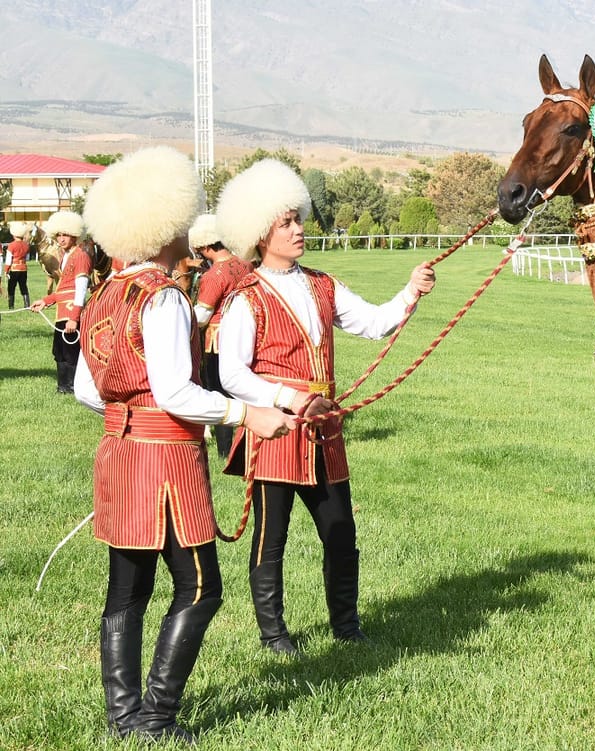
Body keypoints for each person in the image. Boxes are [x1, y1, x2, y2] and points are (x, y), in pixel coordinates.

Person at [73, 146, 296, 743]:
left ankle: (122, 718)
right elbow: (175, 391)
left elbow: (85, 388)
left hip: (119, 455)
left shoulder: (105, 293)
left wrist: (128, 413)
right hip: (166, 461)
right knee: (199, 588)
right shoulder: (163, 296)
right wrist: (243, 412)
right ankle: (155, 717)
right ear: (168, 221)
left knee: (127, 588)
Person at [215, 159, 436, 654]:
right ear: (260, 233)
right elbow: (232, 375)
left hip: (325, 431)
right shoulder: (243, 299)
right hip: (275, 430)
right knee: (271, 542)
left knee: (340, 534)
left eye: (298, 219)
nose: (298, 229)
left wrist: (410, 290)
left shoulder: (322, 284)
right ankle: (274, 635)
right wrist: (290, 398)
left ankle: (347, 628)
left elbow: (375, 323)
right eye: (286, 222)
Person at [189, 213, 254, 458]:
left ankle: (226, 451)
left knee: (219, 393)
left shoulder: (214, 275)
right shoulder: (245, 264)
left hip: (218, 341)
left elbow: (204, 314)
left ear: (206, 247)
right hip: (247, 335)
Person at [29, 210, 91, 393]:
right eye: (59, 235)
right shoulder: (65, 256)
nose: (61, 239)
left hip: (71, 312)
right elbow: (63, 288)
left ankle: (73, 387)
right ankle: (62, 387)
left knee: (71, 353)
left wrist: (74, 317)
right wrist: (45, 301)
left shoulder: (80, 256)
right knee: (59, 351)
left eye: (66, 235)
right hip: (61, 312)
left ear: (75, 235)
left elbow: (80, 289)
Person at [4, 221, 31, 309]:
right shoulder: (26, 245)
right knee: (23, 286)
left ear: (14, 234)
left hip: (14, 269)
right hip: (23, 268)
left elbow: (8, 260)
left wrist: (6, 270)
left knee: (11, 287)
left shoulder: (11, 245)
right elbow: (27, 258)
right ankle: (27, 305)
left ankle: (11, 306)